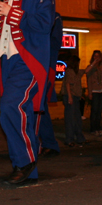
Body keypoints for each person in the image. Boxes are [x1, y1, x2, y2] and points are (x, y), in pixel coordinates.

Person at [0, 0, 55, 185]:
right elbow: (3, 29)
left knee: (9, 107)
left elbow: (44, 24)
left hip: (29, 59)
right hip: (7, 60)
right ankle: (27, 169)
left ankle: (25, 162)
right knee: (19, 112)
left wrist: (11, 12)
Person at [36, 12, 63, 157]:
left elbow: (54, 43)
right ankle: (46, 142)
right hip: (37, 65)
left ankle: (48, 143)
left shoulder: (54, 17)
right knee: (38, 107)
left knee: (39, 106)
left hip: (44, 66)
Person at [62, 55, 86, 147]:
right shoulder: (70, 72)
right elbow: (68, 84)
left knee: (76, 118)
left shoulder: (76, 72)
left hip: (74, 96)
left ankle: (79, 138)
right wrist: (70, 97)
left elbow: (85, 71)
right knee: (71, 119)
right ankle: (69, 139)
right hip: (70, 96)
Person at [84, 50, 102, 135]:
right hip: (94, 90)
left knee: (99, 110)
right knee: (94, 110)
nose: (96, 58)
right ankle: (93, 128)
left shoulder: (101, 67)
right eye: (95, 56)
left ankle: (98, 127)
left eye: (98, 56)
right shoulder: (91, 67)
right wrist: (89, 92)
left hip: (101, 90)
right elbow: (87, 74)